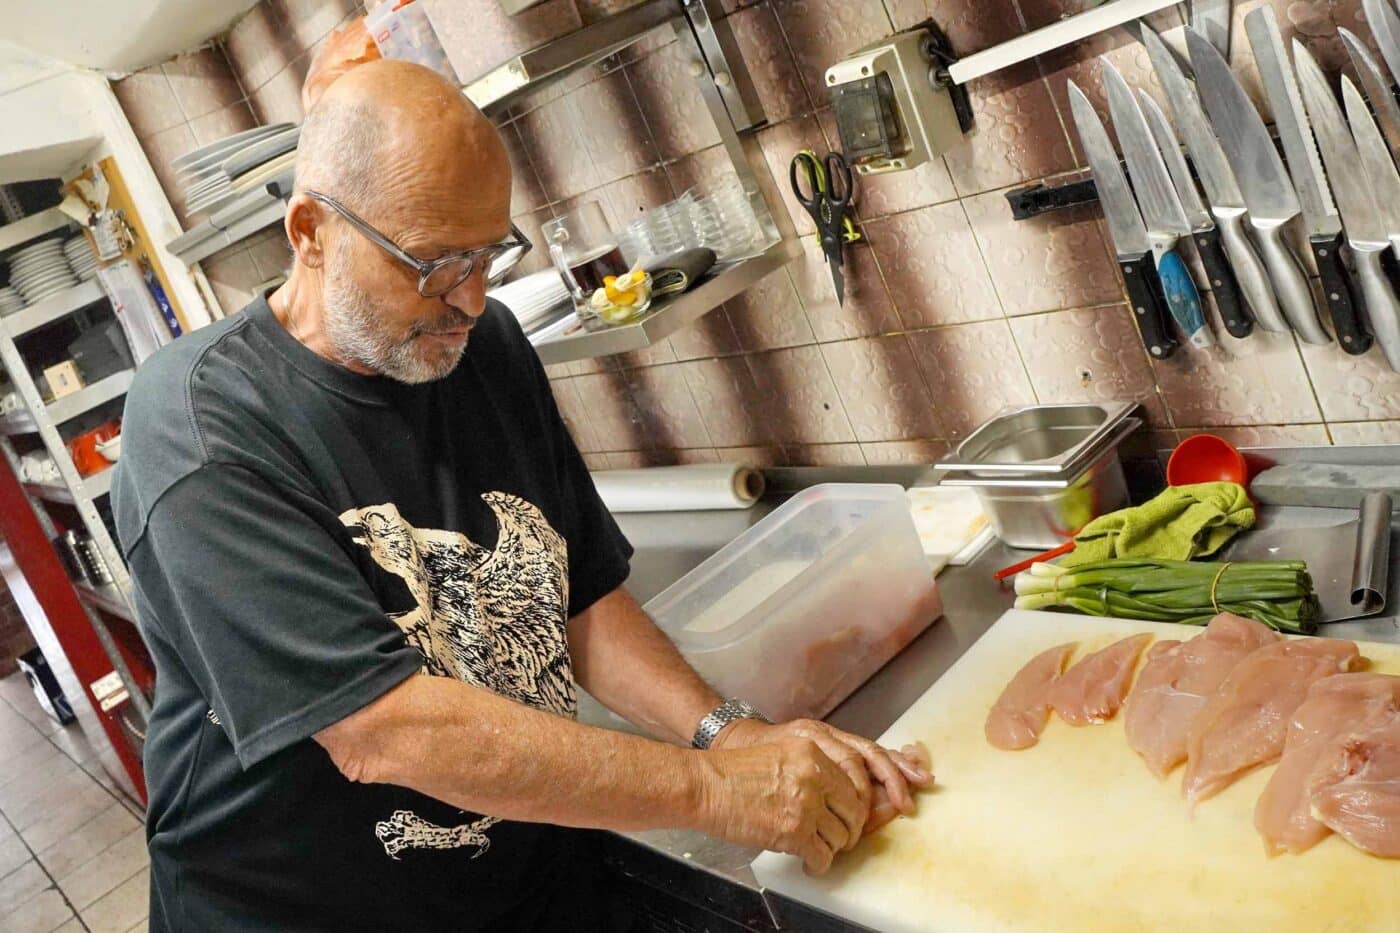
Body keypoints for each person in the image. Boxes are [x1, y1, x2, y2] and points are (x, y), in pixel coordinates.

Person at [113, 59, 931, 931]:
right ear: (311, 230)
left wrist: (725, 733)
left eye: (487, 253)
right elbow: (384, 729)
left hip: (523, 880)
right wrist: (710, 788)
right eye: (430, 264)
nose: (469, 299)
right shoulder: (201, 430)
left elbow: (577, 596)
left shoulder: (484, 345)